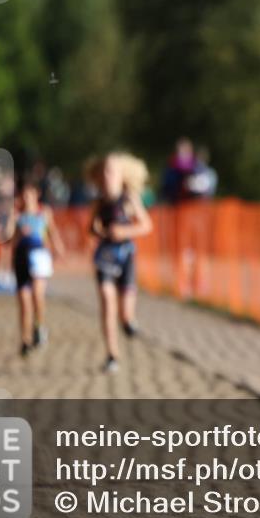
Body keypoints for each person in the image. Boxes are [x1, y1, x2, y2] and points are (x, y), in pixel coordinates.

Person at [86, 152, 153, 373]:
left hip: (125, 256)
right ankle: (112, 354)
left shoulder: (129, 198)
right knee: (107, 300)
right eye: (104, 170)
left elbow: (146, 225)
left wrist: (124, 230)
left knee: (124, 312)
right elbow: (91, 227)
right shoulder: (98, 202)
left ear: (121, 175)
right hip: (104, 256)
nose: (107, 175)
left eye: (111, 171)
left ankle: (128, 321)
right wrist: (96, 229)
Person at [8, 180, 65, 357]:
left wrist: (58, 248)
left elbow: (52, 231)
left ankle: (39, 326)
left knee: (37, 295)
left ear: (36, 194)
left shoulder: (44, 213)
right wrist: (13, 221)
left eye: (28, 194)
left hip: (39, 257)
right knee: (24, 302)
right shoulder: (17, 215)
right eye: (22, 195)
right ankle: (25, 340)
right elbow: (9, 239)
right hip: (21, 259)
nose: (25, 198)